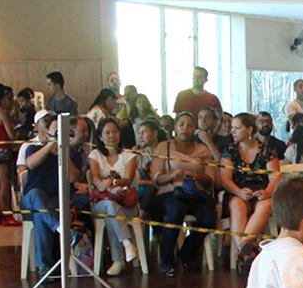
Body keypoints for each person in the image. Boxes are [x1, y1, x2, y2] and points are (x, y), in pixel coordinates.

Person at [149, 112, 217, 276]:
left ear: (195, 129)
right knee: (175, 211)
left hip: (195, 193)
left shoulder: (202, 149)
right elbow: (156, 178)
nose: (185, 128)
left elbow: (211, 179)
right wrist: (171, 176)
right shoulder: (163, 146)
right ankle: (166, 261)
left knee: (208, 218)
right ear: (174, 127)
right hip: (170, 192)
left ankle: (187, 252)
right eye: (181, 124)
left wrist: (195, 176)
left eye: (189, 125)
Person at [18, 111, 75, 278]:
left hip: (53, 201)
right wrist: (50, 145)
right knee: (37, 195)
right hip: (30, 199)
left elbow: (72, 177)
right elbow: (31, 164)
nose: (58, 135)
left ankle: (44, 267)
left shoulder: (69, 153)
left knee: (40, 215)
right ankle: (62, 229)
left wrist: (63, 152)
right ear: (47, 131)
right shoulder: (32, 148)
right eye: (55, 131)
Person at [220, 113, 280, 267]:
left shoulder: (267, 150)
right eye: (232, 128)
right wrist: (239, 192)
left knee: (265, 205)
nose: (232, 131)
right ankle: (247, 249)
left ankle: (242, 249)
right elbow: (225, 179)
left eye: (237, 128)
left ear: (249, 130)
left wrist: (266, 192)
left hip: (261, 192)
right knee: (237, 205)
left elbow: (275, 178)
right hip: (237, 191)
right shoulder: (230, 149)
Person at [89, 118, 140, 276]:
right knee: (110, 207)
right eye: (107, 132)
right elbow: (95, 177)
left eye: (115, 132)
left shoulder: (128, 155)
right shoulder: (95, 154)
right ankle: (126, 243)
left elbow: (129, 179)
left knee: (112, 212)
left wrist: (114, 181)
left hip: (126, 203)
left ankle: (118, 260)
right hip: (101, 202)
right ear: (100, 136)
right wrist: (105, 187)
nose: (112, 136)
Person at [0, 83, 21, 226]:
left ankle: (0, 215)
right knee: (5, 184)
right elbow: (11, 135)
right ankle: (8, 214)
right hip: (4, 150)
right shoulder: (3, 112)